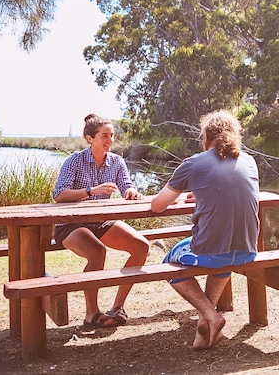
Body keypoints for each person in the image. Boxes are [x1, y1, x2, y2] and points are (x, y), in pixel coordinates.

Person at [150, 110, 260, 350]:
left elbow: (157, 206)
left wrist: (191, 193)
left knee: (169, 263)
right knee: (221, 256)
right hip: (248, 250)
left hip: (211, 250)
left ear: (205, 138)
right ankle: (205, 322)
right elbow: (231, 193)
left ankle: (211, 315)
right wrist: (201, 193)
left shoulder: (193, 163)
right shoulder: (249, 160)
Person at [52, 113, 150, 329]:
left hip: (101, 222)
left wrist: (132, 191)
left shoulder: (116, 161)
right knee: (97, 252)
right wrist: (90, 191)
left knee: (141, 246)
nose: (110, 140)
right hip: (70, 224)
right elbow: (59, 194)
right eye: (104, 135)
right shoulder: (74, 160)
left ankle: (117, 307)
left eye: (112, 135)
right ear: (90, 138)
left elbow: (126, 185)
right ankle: (91, 314)